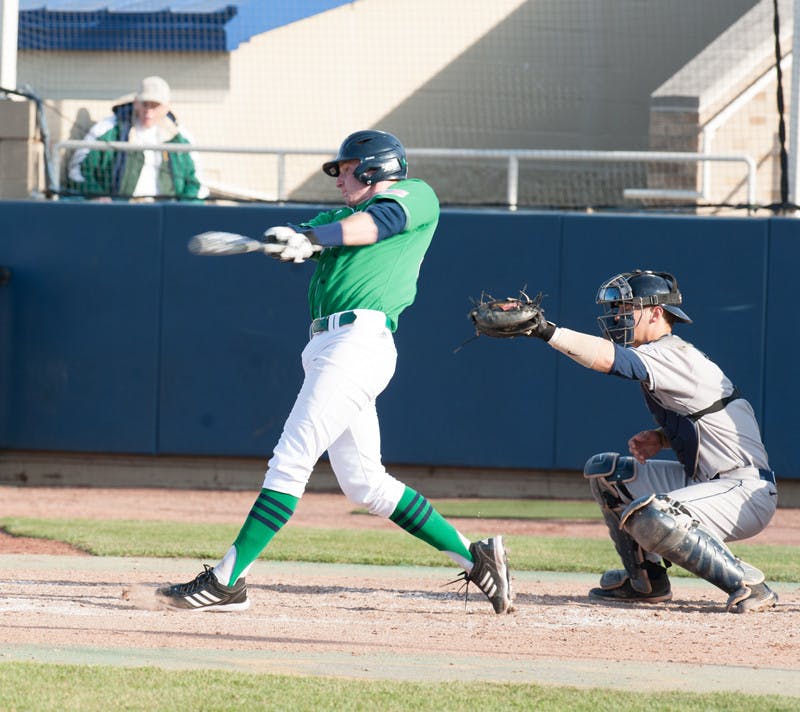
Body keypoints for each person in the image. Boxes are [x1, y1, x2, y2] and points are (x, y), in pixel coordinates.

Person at [156, 130, 513, 615]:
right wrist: (290, 239)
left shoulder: (415, 195)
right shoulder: (338, 219)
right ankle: (476, 558)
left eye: (345, 171)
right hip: (328, 345)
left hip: (357, 343)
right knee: (366, 483)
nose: (339, 180)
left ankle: (227, 580)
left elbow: (379, 224)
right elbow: (314, 232)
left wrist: (312, 239)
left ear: (373, 168)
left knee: (291, 458)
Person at [525, 269, 778, 613]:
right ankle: (646, 581)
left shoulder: (673, 353)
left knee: (653, 514)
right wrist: (661, 438)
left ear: (656, 313)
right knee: (608, 473)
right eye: (618, 308)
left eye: (627, 308)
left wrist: (546, 331)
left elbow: (609, 360)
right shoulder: (664, 353)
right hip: (706, 481)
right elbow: (710, 424)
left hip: (743, 492)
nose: (618, 315)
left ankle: (747, 583)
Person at [67, 76, 207, 202]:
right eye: (145, 104)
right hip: (121, 210)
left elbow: (196, 184)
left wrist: (181, 210)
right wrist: (98, 197)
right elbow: (78, 170)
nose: (149, 112)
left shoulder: (179, 138)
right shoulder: (108, 129)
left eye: (155, 106)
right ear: (136, 103)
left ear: (167, 107)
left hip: (166, 212)